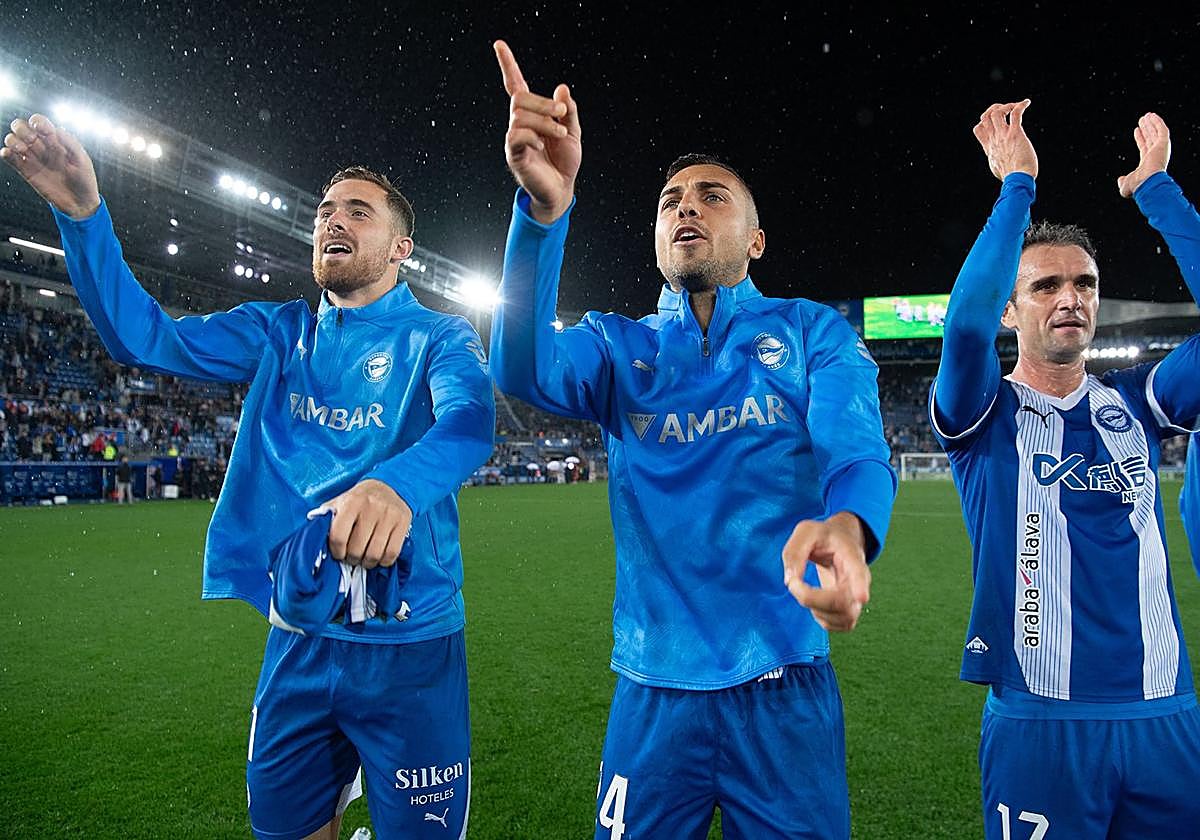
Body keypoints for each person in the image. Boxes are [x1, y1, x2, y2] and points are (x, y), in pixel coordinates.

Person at [3, 114, 495, 839]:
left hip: (409, 646)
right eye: (327, 210)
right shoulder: (279, 332)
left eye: (358, 212)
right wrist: (83, 216)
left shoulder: (441, 337)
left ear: (401, 247)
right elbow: (143, 337)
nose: (334, 220)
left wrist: (396, 485)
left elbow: (469, 424)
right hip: (296, 638)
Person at [488, 42, 896, 839]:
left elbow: (854, 451)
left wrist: (847, 527)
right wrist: (542, 218)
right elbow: (519, 367)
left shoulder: (813, 333)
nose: (686, 208)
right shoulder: (617, 347)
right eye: (672, 198)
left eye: (712, 197)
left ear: (756, 241)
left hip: (784, 686)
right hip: (653, 692)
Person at [930, 100, 1200, 837]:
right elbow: (963, 326)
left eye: (1082, 283)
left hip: (1166, 715)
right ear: (1012, 310)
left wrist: (1157, 192)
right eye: (1044, 286)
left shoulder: (1139, 407)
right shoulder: (982, 413)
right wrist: (1017, 186)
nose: (1069, 297)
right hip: (1041, 723)